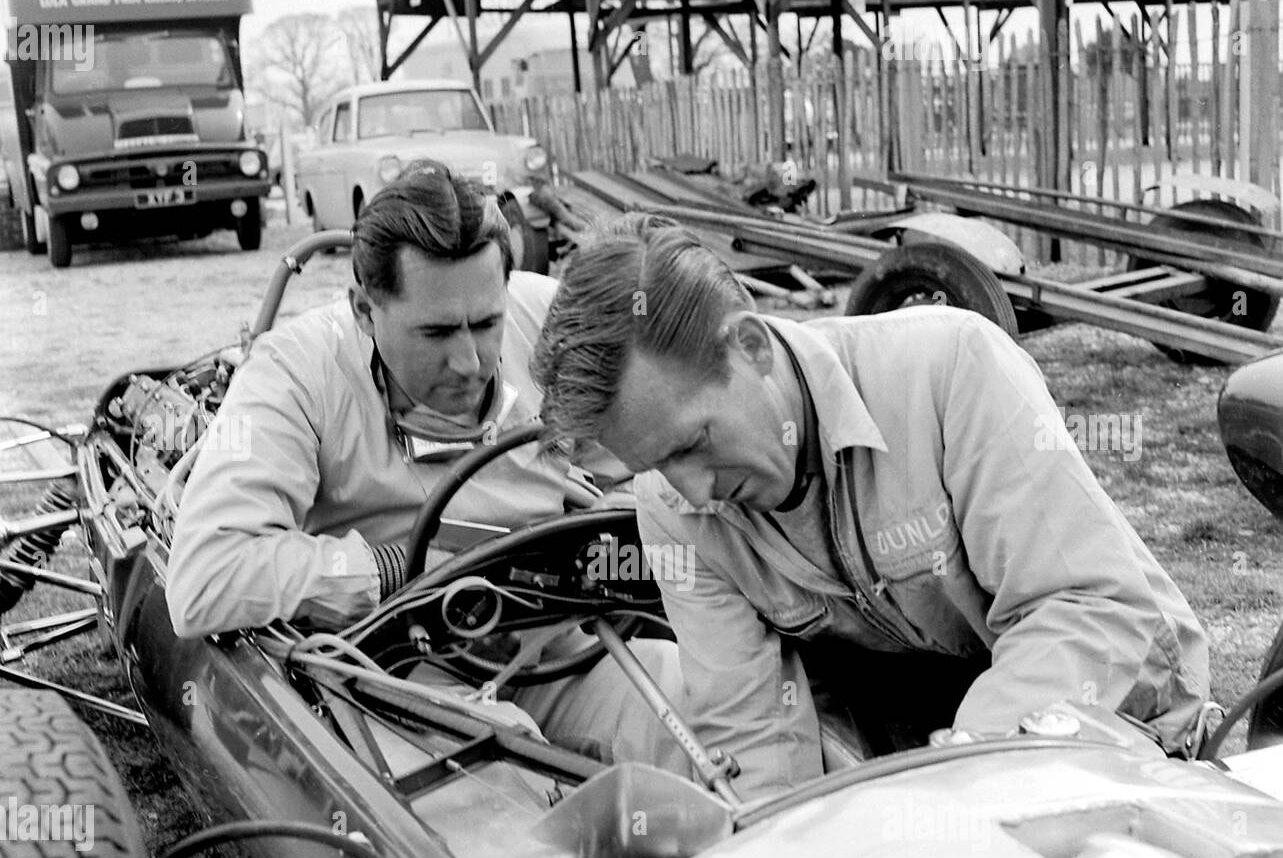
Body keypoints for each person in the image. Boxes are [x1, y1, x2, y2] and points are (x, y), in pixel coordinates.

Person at [531, 213, 1212, 801]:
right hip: (922, 753)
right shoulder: (670, 505)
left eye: (693, 444)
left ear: (749, 346)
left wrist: (958, 777)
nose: (695, 493)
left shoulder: (949, 370)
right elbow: (751, 725)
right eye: (655, 466)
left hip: (1107, 719)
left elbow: (1083, 611)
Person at [165, 169, 680, 768]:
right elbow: (204, 578)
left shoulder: (548, 321)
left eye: (486, 324)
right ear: (364, 309)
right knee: (493, 803)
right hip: (403, 679)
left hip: (560, 653)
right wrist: (392, 570)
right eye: (435, 333)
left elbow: (653, 458)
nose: (469, 362)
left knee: (698, 706)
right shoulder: (294, 372)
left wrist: (616, 517)